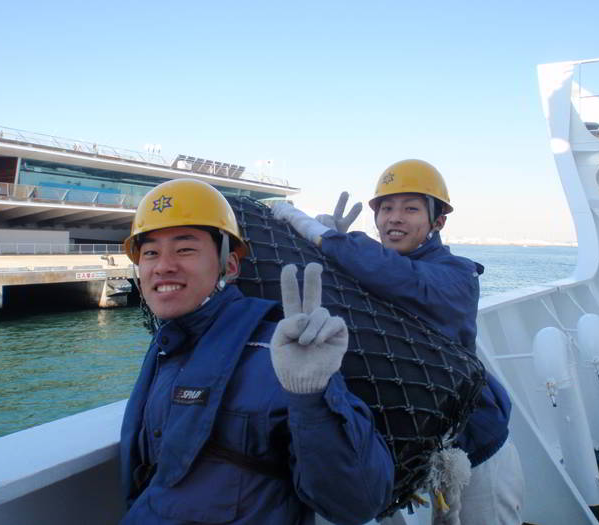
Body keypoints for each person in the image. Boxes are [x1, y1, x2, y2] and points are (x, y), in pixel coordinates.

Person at [119, 178, 394, 524]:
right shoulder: (167, 348)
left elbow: (358, 502)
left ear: (230, 265)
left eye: (185, 249)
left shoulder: (280, 355)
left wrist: (311, 396)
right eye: (150, 253)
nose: (163, 266)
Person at [273, 159, 524, 525]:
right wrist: (327, 252)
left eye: (410, 209)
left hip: (476, 445)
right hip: (413, 452)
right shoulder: (363, 268)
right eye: (386, 208)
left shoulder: (458, 276)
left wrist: (324, 237)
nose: (394, 219)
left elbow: (399, 278)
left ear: (438, 221)